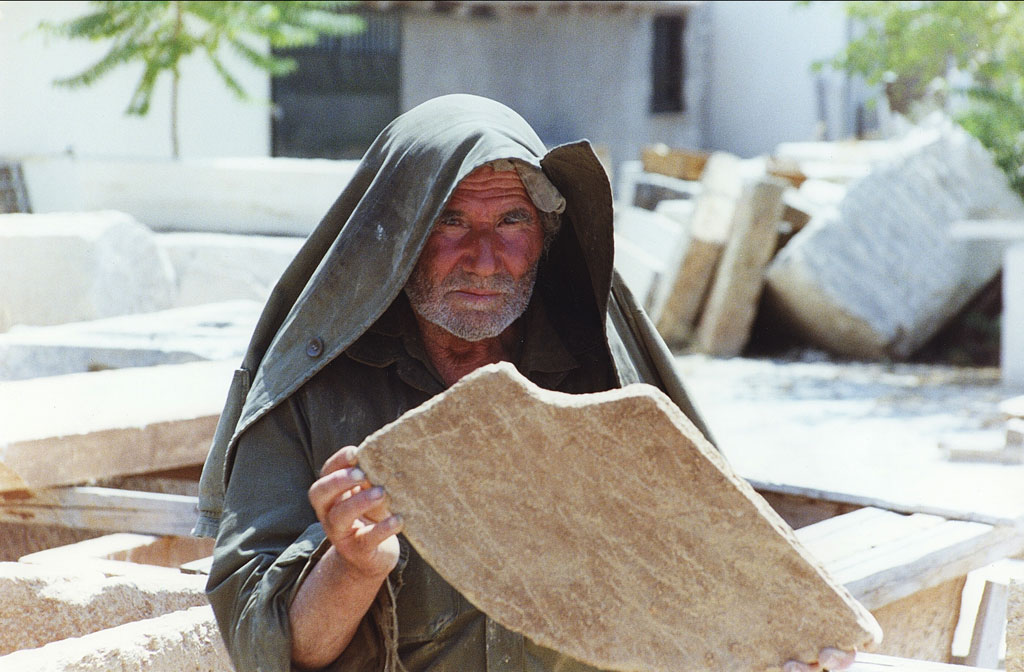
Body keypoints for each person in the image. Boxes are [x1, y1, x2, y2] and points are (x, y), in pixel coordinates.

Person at [196, 94, 852, 672]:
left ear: (545, 234)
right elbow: (270, 651)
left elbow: (706, 578)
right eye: (450, 221)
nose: (484, 259)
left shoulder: (599, 369)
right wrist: (354, 564)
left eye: (512, 221)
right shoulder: (316, 390)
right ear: (396, 238)